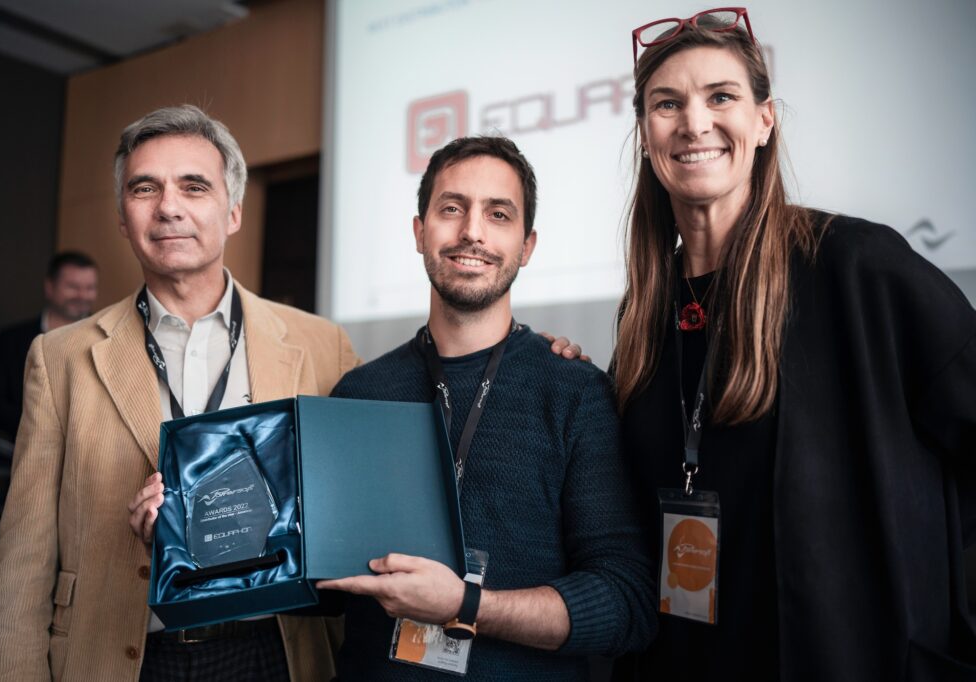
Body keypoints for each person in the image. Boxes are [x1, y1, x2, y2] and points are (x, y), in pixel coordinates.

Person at [611, 9, 976, 682]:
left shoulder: (859, 267)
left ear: (764, 121)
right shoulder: (643, 315)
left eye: (721, 96)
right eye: (667, 104)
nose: (694, 123)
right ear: (645, 134)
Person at [0, 105, 359, 682]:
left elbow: (354, 513)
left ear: (233, 211)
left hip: (276, 651)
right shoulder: (60, 358)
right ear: (122, 217)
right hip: (120, 657)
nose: (168, 207)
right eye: (144, 188)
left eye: (194, 186)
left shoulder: (322, 345)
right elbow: (23, 558)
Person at [314, 136, 656, 680]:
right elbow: (326, 588)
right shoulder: (359, 392)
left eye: (499, 214)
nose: (472, 231)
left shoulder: (575, 393)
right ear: (419, 231)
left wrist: (465, 604)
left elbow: (625, 604)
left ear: (527, 245)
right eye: (452, 209)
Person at [0, 251, 98, 436]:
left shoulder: (107, 339)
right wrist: (38, 424)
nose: (82, 295)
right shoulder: (12, 339)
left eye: (90, 288)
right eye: (73, 287)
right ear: (49, 287)